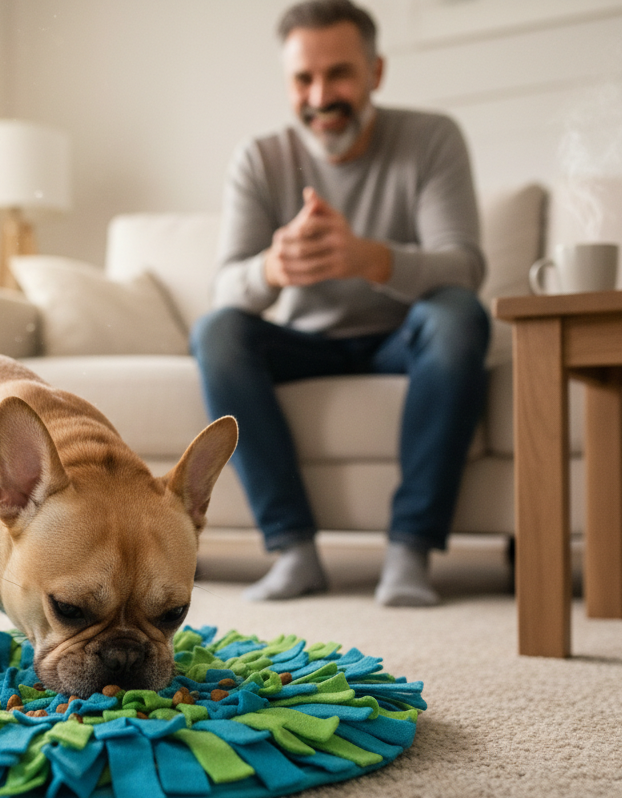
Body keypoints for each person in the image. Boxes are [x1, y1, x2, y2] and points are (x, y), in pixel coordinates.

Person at [191, 0, 489, 606]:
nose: (321, 95)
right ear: (288, 82)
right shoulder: (260, 157)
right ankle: (293, 550)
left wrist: (370, 260)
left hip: (401, 339)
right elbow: (224, 285)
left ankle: (411, 550)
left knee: (460, 315)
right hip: (303, 343)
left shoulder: (431, 138)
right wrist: (272, 268)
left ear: (375, 72)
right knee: (217, 331)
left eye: (340, 74)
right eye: (304, 78)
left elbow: (465, 267)